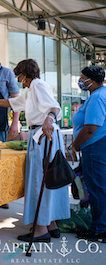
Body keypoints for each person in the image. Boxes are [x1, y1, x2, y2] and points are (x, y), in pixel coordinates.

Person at [0, 59, 70, 242]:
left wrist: (49, 118)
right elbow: (11, 102)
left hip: (43, 135)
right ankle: (51, 225)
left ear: (26, 74)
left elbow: (55, 107)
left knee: (39, 181)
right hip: (43, 135)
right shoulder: (32, 90)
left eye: (20, 76)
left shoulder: (37, 85)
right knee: (48, 179)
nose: (19, 81)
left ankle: (41, 230)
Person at [72, 66, 106, 242]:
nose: (80, 81)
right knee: (101, 187)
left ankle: (99, 230)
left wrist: (75, 145)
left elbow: (90, 128)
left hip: (95, 148)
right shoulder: (103, 94)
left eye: (82, 77)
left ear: (91, 80)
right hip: (99, 146)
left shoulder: (97, 97)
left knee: (97, 188)